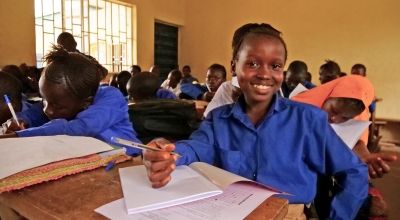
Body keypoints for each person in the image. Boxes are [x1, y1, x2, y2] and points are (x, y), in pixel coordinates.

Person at [142, 23, 368, 219]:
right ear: (234, 67)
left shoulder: (307, 120)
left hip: (287, 213)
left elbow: (354, 171)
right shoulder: (219, 119)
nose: (264, 74)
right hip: (228, 211)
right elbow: (195, 148)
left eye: (275, 66)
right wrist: (168, 152)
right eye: (252, 64)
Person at [0, 46, 140, 155]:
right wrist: (19, 120)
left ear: (86, 102)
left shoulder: (111, 98)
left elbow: (81, 128)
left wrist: (19, 136)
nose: (47, 109)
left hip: (129, 161)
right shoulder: (60, 101)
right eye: (44, 100)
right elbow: (34, 113)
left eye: (57, 106)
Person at [292, 75, 397, 178]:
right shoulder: (300, 104)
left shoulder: (357, 113)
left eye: (344, 118)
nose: (334, 119)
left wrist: (364, 155)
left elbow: (356, 140)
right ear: (329, 95)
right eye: (333, 110)